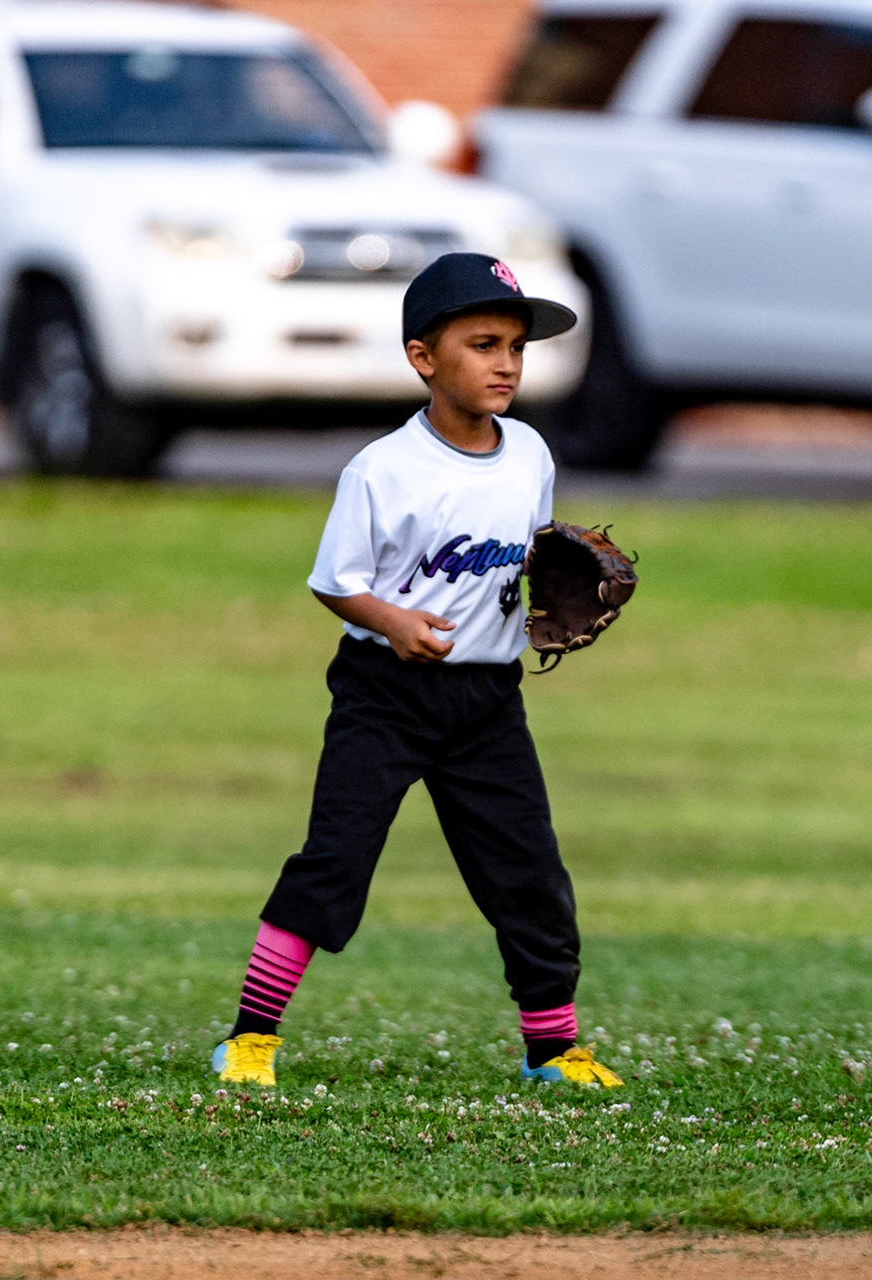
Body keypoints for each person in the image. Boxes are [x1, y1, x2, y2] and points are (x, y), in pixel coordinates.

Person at [210, 252, 622, 1089]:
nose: (505, 362)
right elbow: (336, 582)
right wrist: (392, 621)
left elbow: (530, 561)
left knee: (530, 875)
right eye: (481, 343)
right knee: (334, 863)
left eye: (515, 345)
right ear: (423, 358)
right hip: (385, 695)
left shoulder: (531, 454)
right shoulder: (382, 470)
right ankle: (251, 1038)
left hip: (487, 703)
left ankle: (553, 1048)